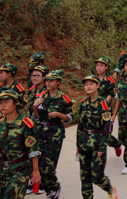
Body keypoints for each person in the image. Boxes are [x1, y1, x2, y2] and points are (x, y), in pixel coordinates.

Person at [0, 90, 41, 199]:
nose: (3, 105)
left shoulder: (25, 123)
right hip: (3, 169)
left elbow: (33, 149)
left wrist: (35, 170)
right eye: (1, 103)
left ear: (15, 103)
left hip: (20, 169)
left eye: (6, 102)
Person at [74, 75, 119, 199]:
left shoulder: (103, 104)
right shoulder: (83, 104)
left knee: (97, 176)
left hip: (97, 143)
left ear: (97, 86)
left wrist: (102, 147)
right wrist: (78, 145)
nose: (88, 87)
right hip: (84, 142)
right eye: (86, 84)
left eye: (91, 84)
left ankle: (109, 188)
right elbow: (80, 126)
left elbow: (106, 128)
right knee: (84, 176)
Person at [32, 70, 73, 199]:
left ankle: (53, 187)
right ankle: (49, 185)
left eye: (52, 80)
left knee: (47, 166)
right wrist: (34, 107)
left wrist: (59, 115)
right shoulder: (41, 96)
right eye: (47, 80)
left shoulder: (63, 98)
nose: (48, 83)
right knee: (37, 165)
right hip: (40, 134)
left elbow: (70, 118)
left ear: (58, 82)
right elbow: (36, 118)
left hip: (55, 134)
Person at [94, 57, 123, 158]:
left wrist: (102, 105)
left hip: (105, 109)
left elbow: (111, 94)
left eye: (101, 66)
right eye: (97, 65)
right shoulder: (93, 79)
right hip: (93, 109)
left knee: (105, 133)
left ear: (106, 67)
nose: (99, 68)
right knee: (95, 131)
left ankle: (116, 144)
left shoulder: (110, 80)